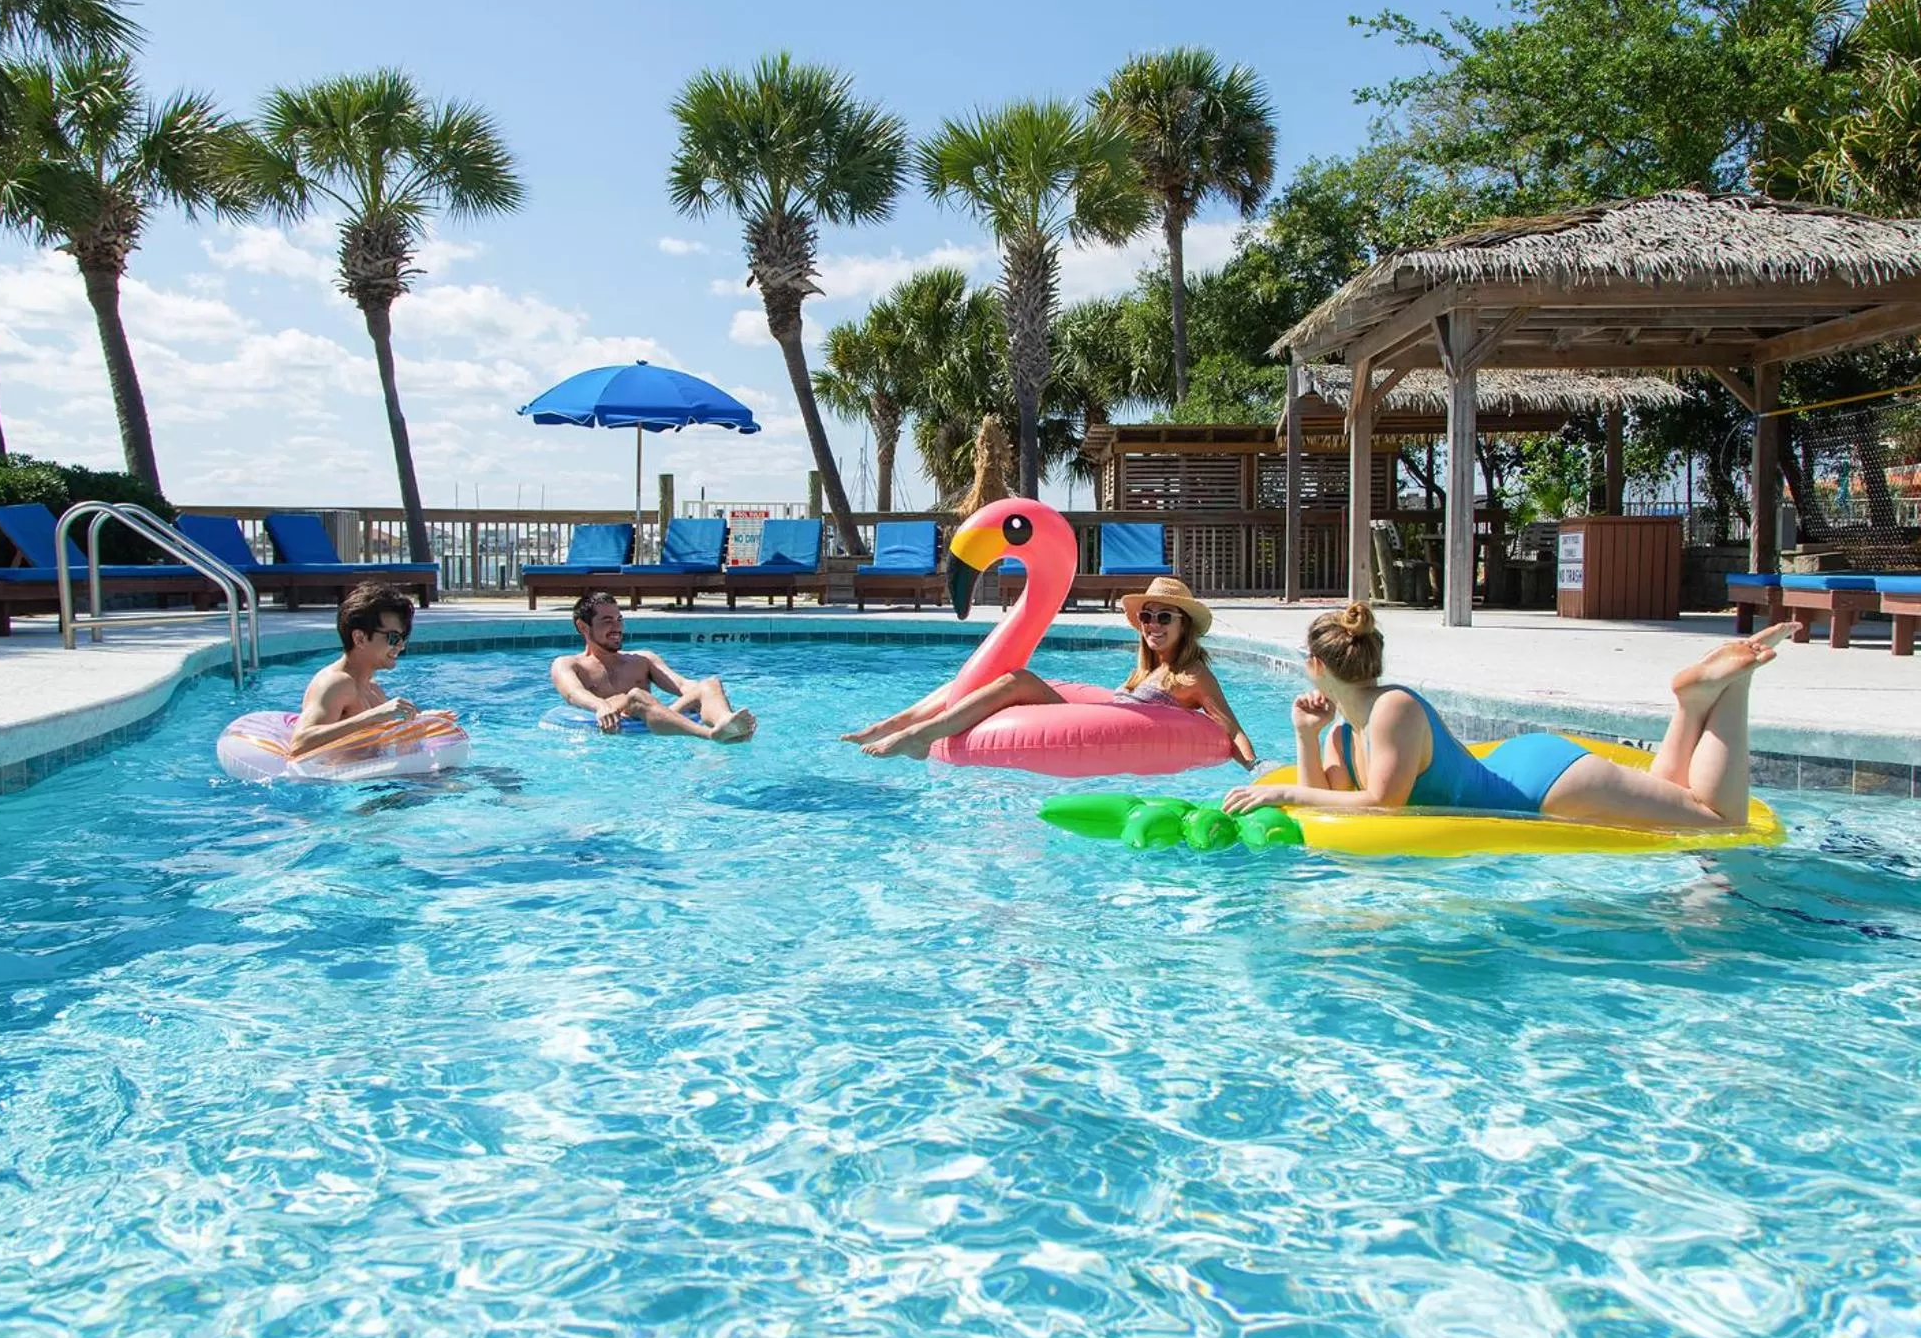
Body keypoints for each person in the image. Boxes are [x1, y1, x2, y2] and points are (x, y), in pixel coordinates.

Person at [1223, 603, 1789, 829]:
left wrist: (1283, 795)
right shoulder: (1342, 730)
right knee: (1668, 791)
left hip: (1541, 786)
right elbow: (1333, 802)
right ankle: (1691, 701)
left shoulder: (1390, 709)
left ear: (1315, 664)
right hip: (1522, 773)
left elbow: (1380, 804)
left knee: (1718, 820)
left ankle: (1737, 684)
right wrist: (1304, 736)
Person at [845, 575, 1258, 764]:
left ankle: (921, 735)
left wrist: (1255, 768)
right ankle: (896, 722)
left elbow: (1231, 728)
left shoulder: (1192, 675)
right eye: (1147, 616)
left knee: (1019, 680)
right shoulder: (1146, 669)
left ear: (1183, 624)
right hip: (1102, 714)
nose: (1152, 625)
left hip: (1104, 725)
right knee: (983, 677)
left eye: (1164, 617)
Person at [552, 591, 757, 742]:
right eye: (607, 621)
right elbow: (573, 693)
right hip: (616, 723)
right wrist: (601, 706)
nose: (617, 627)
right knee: (635, 696)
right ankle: (710, 735)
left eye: (619, 619)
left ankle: (728, 726)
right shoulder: (569, 664)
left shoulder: (642, 659)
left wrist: (711, 698)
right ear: (583, 626)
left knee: (710, 684)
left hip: (653, 718)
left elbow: (683, 685)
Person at [289, 583, 429, 759]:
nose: (401, 646)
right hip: (350, 784)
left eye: (403, 638)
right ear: (360, 638)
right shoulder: (336, 683)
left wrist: (424, 719)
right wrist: (372, 716)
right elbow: (299, 745)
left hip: (379, 780)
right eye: (393, 638)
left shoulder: (372, 687)